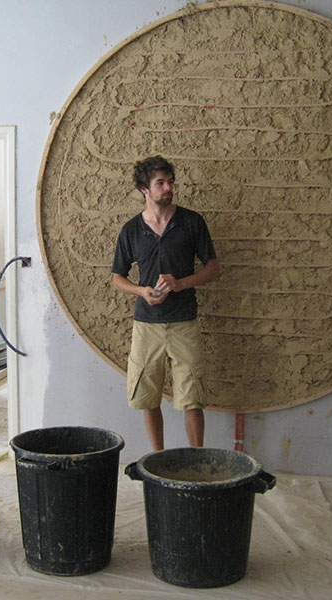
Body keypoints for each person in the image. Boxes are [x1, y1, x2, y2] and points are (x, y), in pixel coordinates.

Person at [111, 156, 220, 451]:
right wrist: (141, 291)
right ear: (145, 189)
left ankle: (196, 459)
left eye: (170, 181)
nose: (168, 187)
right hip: (146, 325)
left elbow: (213, 267)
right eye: (161, 183)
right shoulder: (131, 230)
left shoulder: (192, 222)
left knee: (192, 397)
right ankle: (156, 458)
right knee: (148, 397)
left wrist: (181, 283)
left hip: (185, 321)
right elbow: (117, 278)